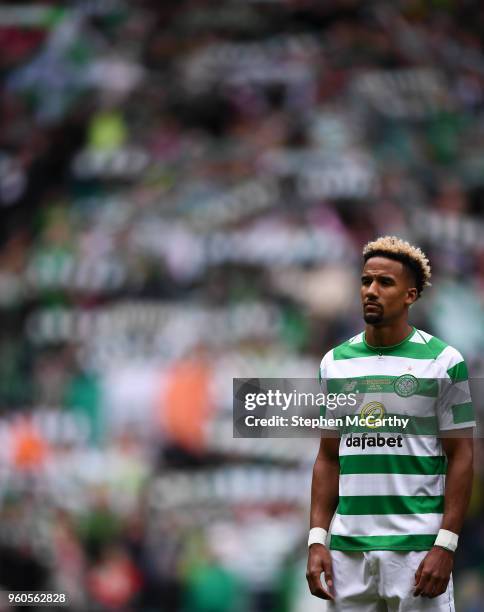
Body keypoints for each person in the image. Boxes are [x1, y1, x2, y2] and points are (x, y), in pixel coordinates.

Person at [306, 236, 475, 611]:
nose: (371, 290)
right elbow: (328, 458)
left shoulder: (445, 362)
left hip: (416, 552)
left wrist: (445, 545)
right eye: (366, 281)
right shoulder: (334, 363)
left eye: (385, 283)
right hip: (348, 553)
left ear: (410, 295)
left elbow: (461, 457)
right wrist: (318, 538)